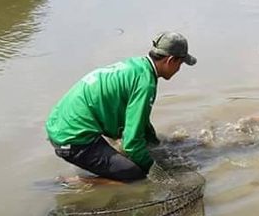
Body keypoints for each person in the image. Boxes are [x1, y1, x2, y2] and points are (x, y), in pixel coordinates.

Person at [45, 31, 197, 182]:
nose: (179, 69)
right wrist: (153, 169)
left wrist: (155, 144)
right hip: (73, 139)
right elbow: (131, 143)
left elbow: (139, 121)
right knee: (136, 175)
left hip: (59, 123)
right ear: (170, 61)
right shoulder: (146, 84)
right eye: (180, 64)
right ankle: (75, 182)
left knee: (135, 154)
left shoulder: (137, 66)